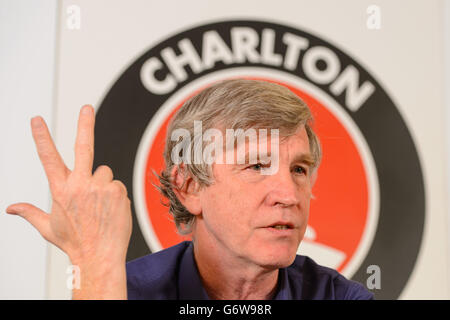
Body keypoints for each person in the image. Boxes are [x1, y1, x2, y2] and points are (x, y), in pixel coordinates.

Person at [6, 79, 373, 300]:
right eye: (257, 166)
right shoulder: (123, 291)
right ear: (189, 186)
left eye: (299, 169)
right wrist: (93, 264)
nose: (291, 195)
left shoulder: (338, 296)